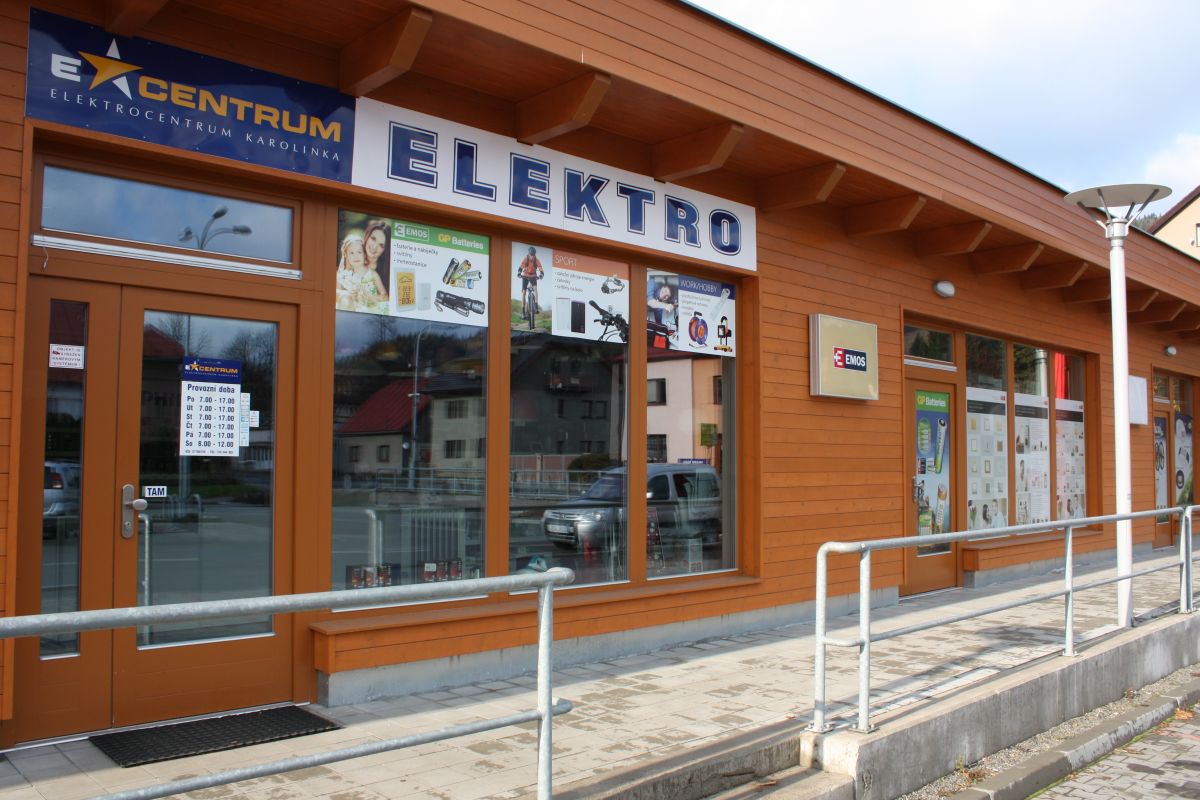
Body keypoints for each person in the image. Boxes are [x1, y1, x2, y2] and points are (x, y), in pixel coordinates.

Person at [336, 232, 387, 313]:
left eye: (359, 252)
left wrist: (369, 297)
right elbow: (335, 293)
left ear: (364, 253)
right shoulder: (344, 275)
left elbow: (385, 297)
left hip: (371, 312)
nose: (356, 256)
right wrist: (348, 293)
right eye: (352, 253)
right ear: (346, 255)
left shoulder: (372, 274)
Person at [363, 219, 391, 297]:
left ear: (385, 250)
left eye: (381, 245)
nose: (374, 247)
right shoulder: (352, 255)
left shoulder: (386, 272)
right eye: (373, 239)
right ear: (367, 236)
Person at [516, 246, 544, 316]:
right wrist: (519, 272)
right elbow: (522, 265)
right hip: (525, 276)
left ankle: (536, 306)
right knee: (524, 292)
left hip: (533, 276)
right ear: (529, 254)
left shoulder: (536, 259)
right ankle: (523, 312)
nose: (532, 256)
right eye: (531, 255)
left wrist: (541, 274)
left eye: (533, 255)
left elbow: (540, 267)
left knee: (535, 289)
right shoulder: (526, 258)